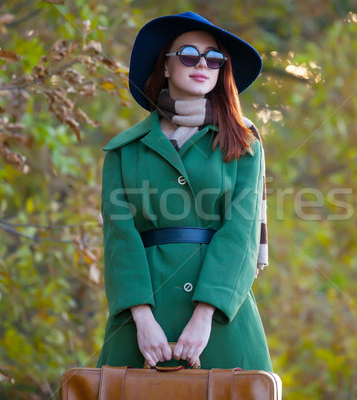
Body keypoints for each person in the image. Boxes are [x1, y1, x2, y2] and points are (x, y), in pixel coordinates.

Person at [96, 11, 272, 372]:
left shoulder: (243, 144)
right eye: (189, 55)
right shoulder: (124, 150)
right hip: (142, 319)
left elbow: (241, 232)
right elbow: (119, 238)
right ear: (165, 66)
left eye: (214, 58)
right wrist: (142, 321)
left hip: (223, 318)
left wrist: (205, 316)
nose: (202, 64)